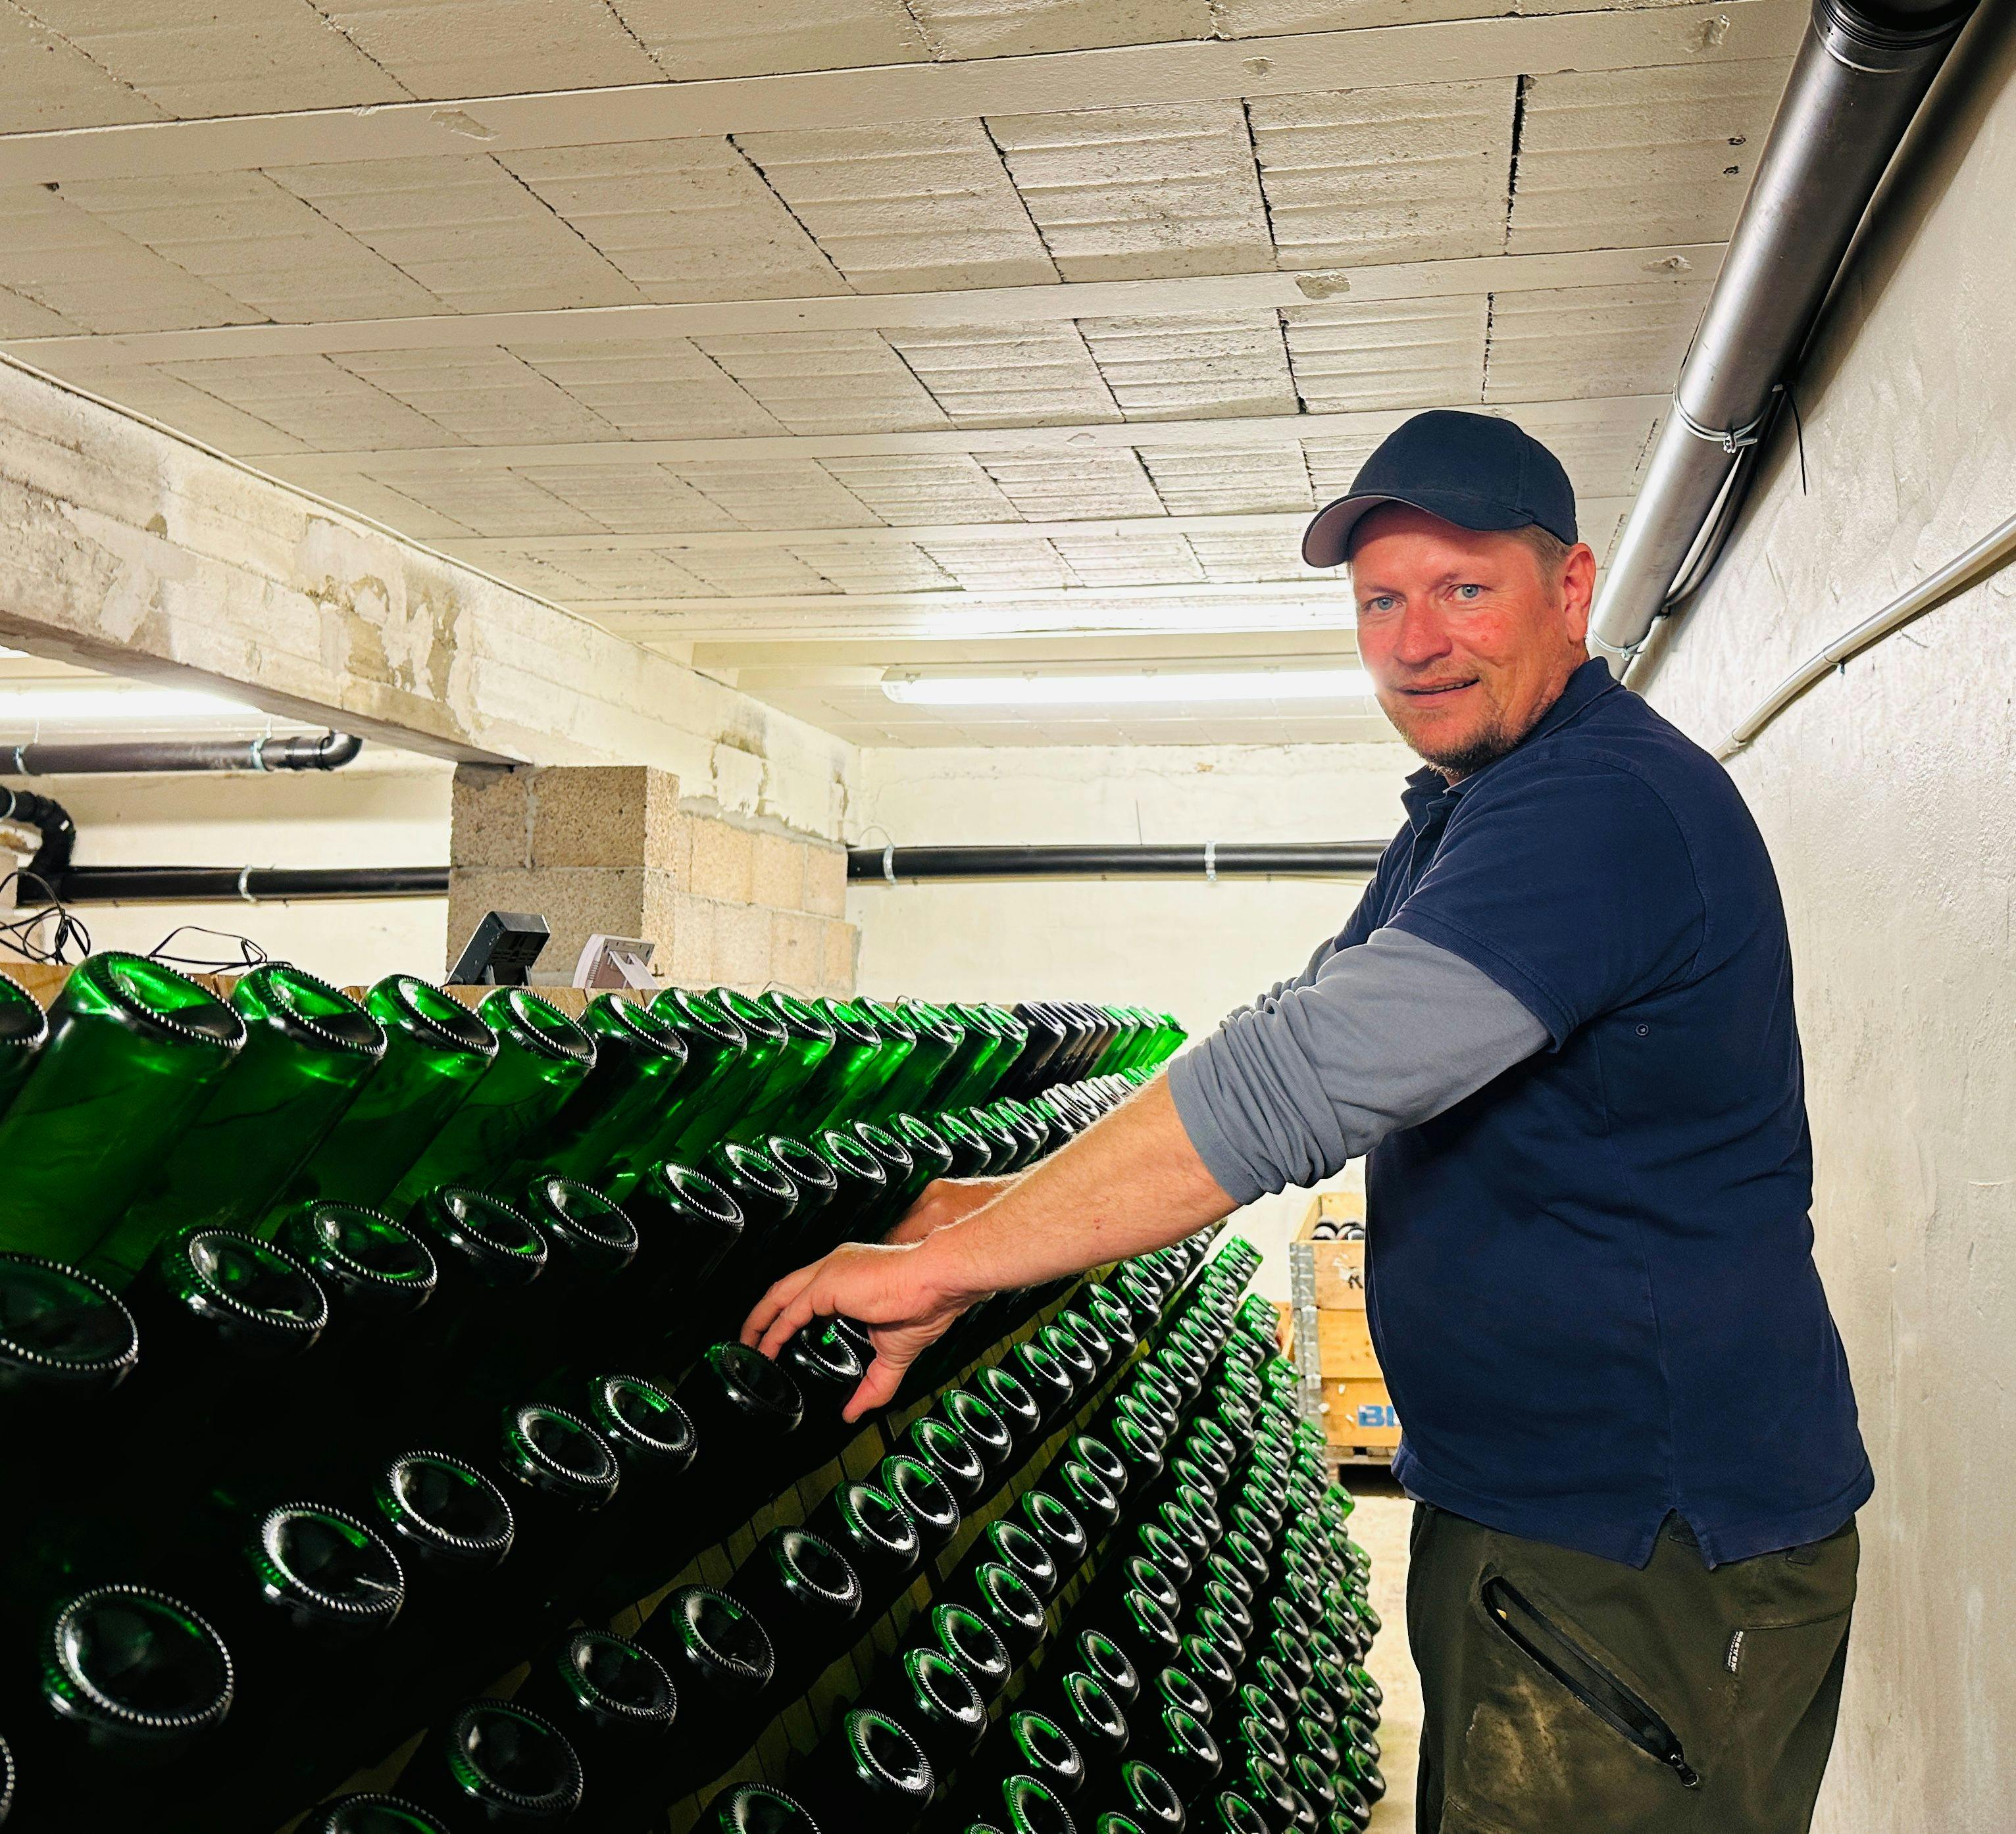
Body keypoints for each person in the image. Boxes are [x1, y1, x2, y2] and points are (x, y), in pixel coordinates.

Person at [742, 409, 1870, 1834]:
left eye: (1463, 587)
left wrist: (947, 1268)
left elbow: (1306, 1079)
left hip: (1639, 1537)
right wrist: (1000, 1202)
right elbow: (1302, 1015)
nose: (1414, 640)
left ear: (1570, 590)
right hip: (1545, 1513)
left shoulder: (1596, 808)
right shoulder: (1474, 807)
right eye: (1379, 601)